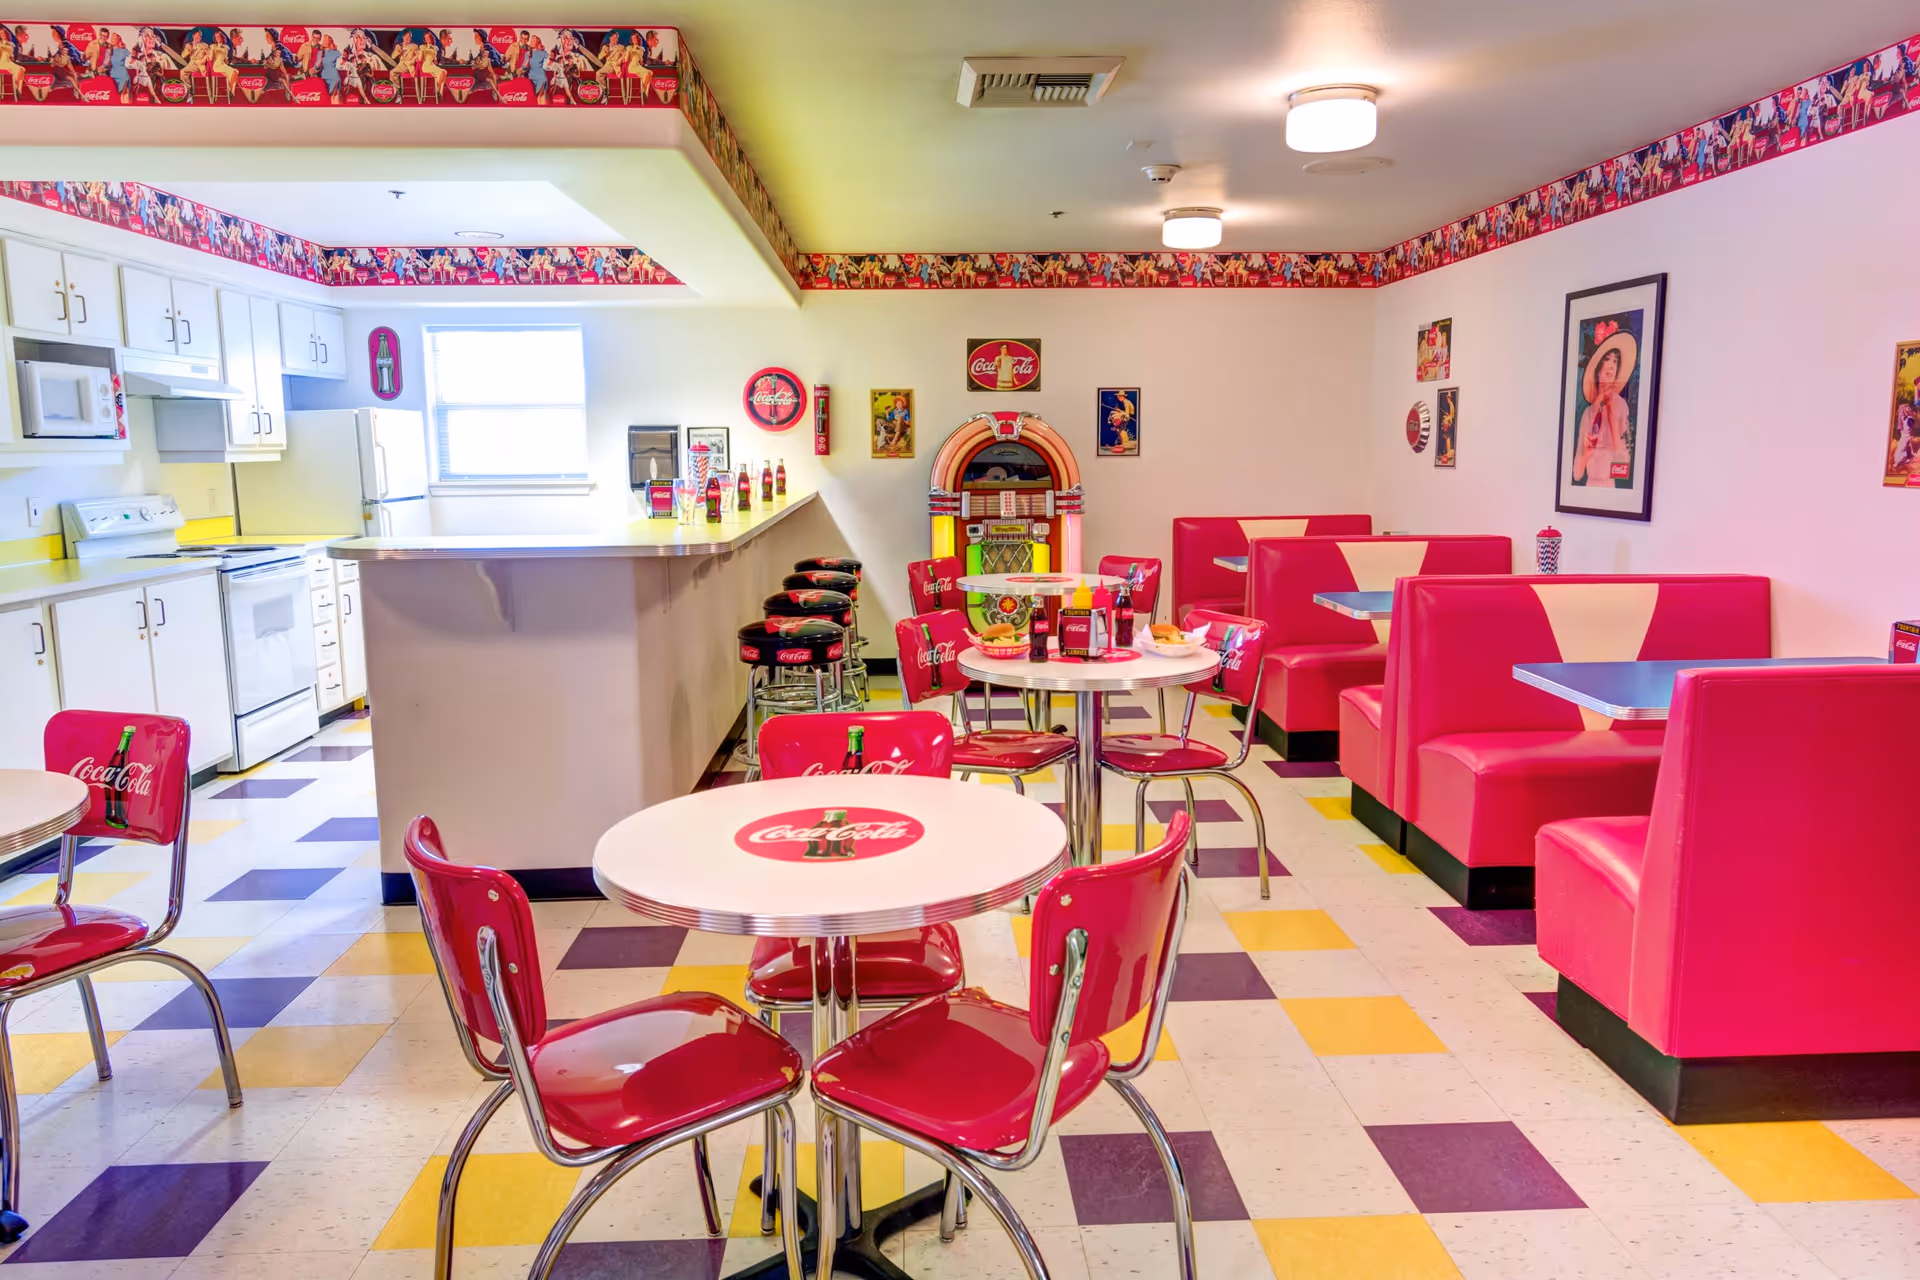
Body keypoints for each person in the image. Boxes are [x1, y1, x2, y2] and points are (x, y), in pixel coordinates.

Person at [1572, 329, 1637, 488]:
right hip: (1590, 488)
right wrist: (1587, 452)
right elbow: (1577, 473)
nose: (1611, 366)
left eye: (1615, 361)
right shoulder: (1588, 414)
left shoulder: (1621, 406)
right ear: (1597, 367)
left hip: (1610, 489)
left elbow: (1623, 466)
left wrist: (1613, 423)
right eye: (1607, 359)